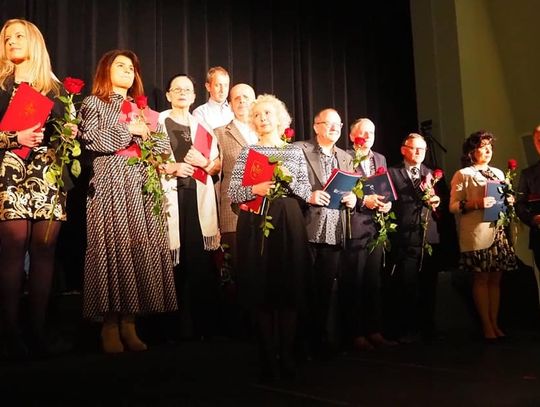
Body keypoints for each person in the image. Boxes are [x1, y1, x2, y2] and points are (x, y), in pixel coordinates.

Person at [79, 50, 177, 353]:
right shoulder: (94, 102)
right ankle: (109, 325)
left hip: (142, 184)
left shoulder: (144, 108)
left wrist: (149, 136)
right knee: (113, 247)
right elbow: (90, 139)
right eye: (119, 66)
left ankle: (130, 324)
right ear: (106, 71)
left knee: (138, 247)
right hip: (111, 181)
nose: (126, 71)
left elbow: (161, 147)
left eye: (131, 68)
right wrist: (127, 130)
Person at [0, 19, 77, 359]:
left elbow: (70, 135)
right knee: (14, 249)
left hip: (47, 174)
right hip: (8, 172)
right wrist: (13, 138)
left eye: (18, 36)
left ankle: (38, 331)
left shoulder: (56, 90)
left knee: (45, 251)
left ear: (34, 41)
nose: (11, 41)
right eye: (6, 38)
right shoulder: (0, 85)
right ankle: (9, 335)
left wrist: (69, 136)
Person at [228, 94, 314, 381]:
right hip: (256, 223)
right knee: (262, 288)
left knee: (289, 287)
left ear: (279, 118)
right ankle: (267, 356)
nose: (262, 119)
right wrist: (257, 189)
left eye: (267, 114)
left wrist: (287, 179)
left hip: (288, 221)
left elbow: (304, 191)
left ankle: (286, 354)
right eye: (257, 115)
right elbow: (234, 193)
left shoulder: (294, 152)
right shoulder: (248, 152)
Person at [159, 74, 222, 340]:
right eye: (177, 89)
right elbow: (144, 160)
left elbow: (217, 164)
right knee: (170, 264)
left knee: (198, 263)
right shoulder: (157, 122)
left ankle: (200, 329)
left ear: (195, 96)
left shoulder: (202, 128)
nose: (182, 93)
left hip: (198, 198)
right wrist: (170, 167)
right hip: (168, 198)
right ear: (168, 94)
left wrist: (206, 163)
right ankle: (168, 329)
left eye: (187, 89)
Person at [294, 108, 356, 357]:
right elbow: (288, 183)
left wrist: (353, 198)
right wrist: (307, 195)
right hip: (307, 227)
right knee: (303, 288)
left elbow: (349, 188)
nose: (334, 128)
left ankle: (319, 339)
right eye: (328, 124)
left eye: (338, 125)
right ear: (316, 126)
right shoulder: (299, 149)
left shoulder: (346, 156)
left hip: (334, 230)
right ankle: (300, 342)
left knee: (324, 289)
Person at [449, 131, 517, 342]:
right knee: (481, 278)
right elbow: (453, 206)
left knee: (496, 279)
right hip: (477, 234)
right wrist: (475, 204)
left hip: (498, 232)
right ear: (472, 151)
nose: (488, 150)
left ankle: (495, 323)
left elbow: (503, 198)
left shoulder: (497, 172)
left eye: (490, 146)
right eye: (483, 146)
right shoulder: (464, 174)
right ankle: (486, 325)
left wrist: (510, 200)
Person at [339, 118, 397, 351]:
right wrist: (365, 201)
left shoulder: (380, 158)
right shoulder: (344, 156)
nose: (367, 136)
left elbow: (385, 190)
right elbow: (343, 191)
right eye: (362, 132)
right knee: (355, 280)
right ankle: (355, 333)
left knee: (373, 280)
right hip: (354, 225)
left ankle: (374, 330)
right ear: (352, 136)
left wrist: (387, 205)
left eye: (371, 132)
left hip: (376, 227)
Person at [387, 133, 442, 343]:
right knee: (405, 285)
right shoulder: (393, 173)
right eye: (414, 148)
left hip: (428, 236)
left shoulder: (431, 173)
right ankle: (406, 328)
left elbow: (442, 201)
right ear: (404, 149)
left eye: (422, 149)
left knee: (429, 285)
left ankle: (427, 327)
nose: (419, 153)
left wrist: (437, 200)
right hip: (403, 236)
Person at [214, 83, 257, 280]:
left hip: (266, 213)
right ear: (230, 105)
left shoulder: (267, 132)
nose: (241, 101)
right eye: (236, 98)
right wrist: (213, 219)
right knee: (237, 276)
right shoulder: (219, 133)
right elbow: (216, 178)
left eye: (246, 97)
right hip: (233, 215)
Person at [516, 125, 540, 271]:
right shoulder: (528, 174)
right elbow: (520, 204)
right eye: (538, 140)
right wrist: (532, 218)